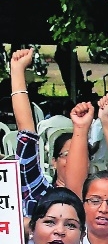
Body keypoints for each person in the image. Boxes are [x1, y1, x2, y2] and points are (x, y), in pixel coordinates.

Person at [10, 49, 88, 212]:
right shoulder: (39, 194)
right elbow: (27, 137)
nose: (72, 161)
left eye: (79, 155)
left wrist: (81, 128)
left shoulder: (95, 204)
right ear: (54, 161)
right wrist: (17, 71)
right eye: (67, 155)